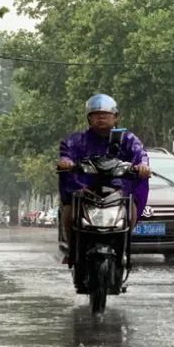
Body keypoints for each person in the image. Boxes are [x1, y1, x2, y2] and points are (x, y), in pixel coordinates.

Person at [57, 94, 151, 265]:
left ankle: (123, 248)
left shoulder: (127, 139)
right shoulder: (76, 140)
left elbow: (140, 154)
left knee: (131, 210)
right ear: (89, 119)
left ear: (115, 117)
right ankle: (73, 250)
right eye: (96, 115)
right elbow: (66, 155)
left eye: (106, 115)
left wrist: (143, 166)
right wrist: (67, 163)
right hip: (85, 191)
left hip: (118, 190)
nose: (101, 118)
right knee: (69, 211)